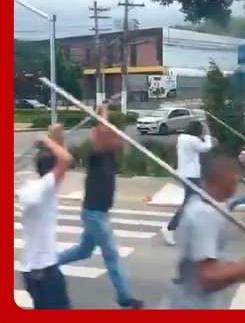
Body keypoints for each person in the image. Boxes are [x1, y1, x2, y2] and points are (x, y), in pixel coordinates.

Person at [162, 149, 245, 309]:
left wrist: (239, 275)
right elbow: (208, 278)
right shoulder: (205, 214)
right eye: (234, 180)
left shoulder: (199, 203)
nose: (237, 183)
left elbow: (206, 269)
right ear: (222, 181)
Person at [58, 103, 143, 309]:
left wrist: (111, 130)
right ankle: (124, 298)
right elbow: (100, 131)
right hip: (94, 214)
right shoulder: (96, 156)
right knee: (112, 256)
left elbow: (105, 134)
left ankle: (48, 261)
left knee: (83, 251)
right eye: (116, 137)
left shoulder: (111, 157)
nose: (120, 140)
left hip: (98, 213)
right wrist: (103, 111)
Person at [16, 132, 74, 309]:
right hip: (44, 270)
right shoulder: (45, 188)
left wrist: (55, 141)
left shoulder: (30, 189)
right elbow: (66, 160)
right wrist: (46, 140)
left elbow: (61, 165)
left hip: (29, 271)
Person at [161, 120, 212, 246]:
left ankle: (193, 229)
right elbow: (207, 147)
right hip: (191, 175)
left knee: (196, 201)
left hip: (185, 174)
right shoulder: (193, 141)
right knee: (190, 203)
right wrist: (207, 134)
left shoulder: (182, 138)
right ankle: (170, 228)